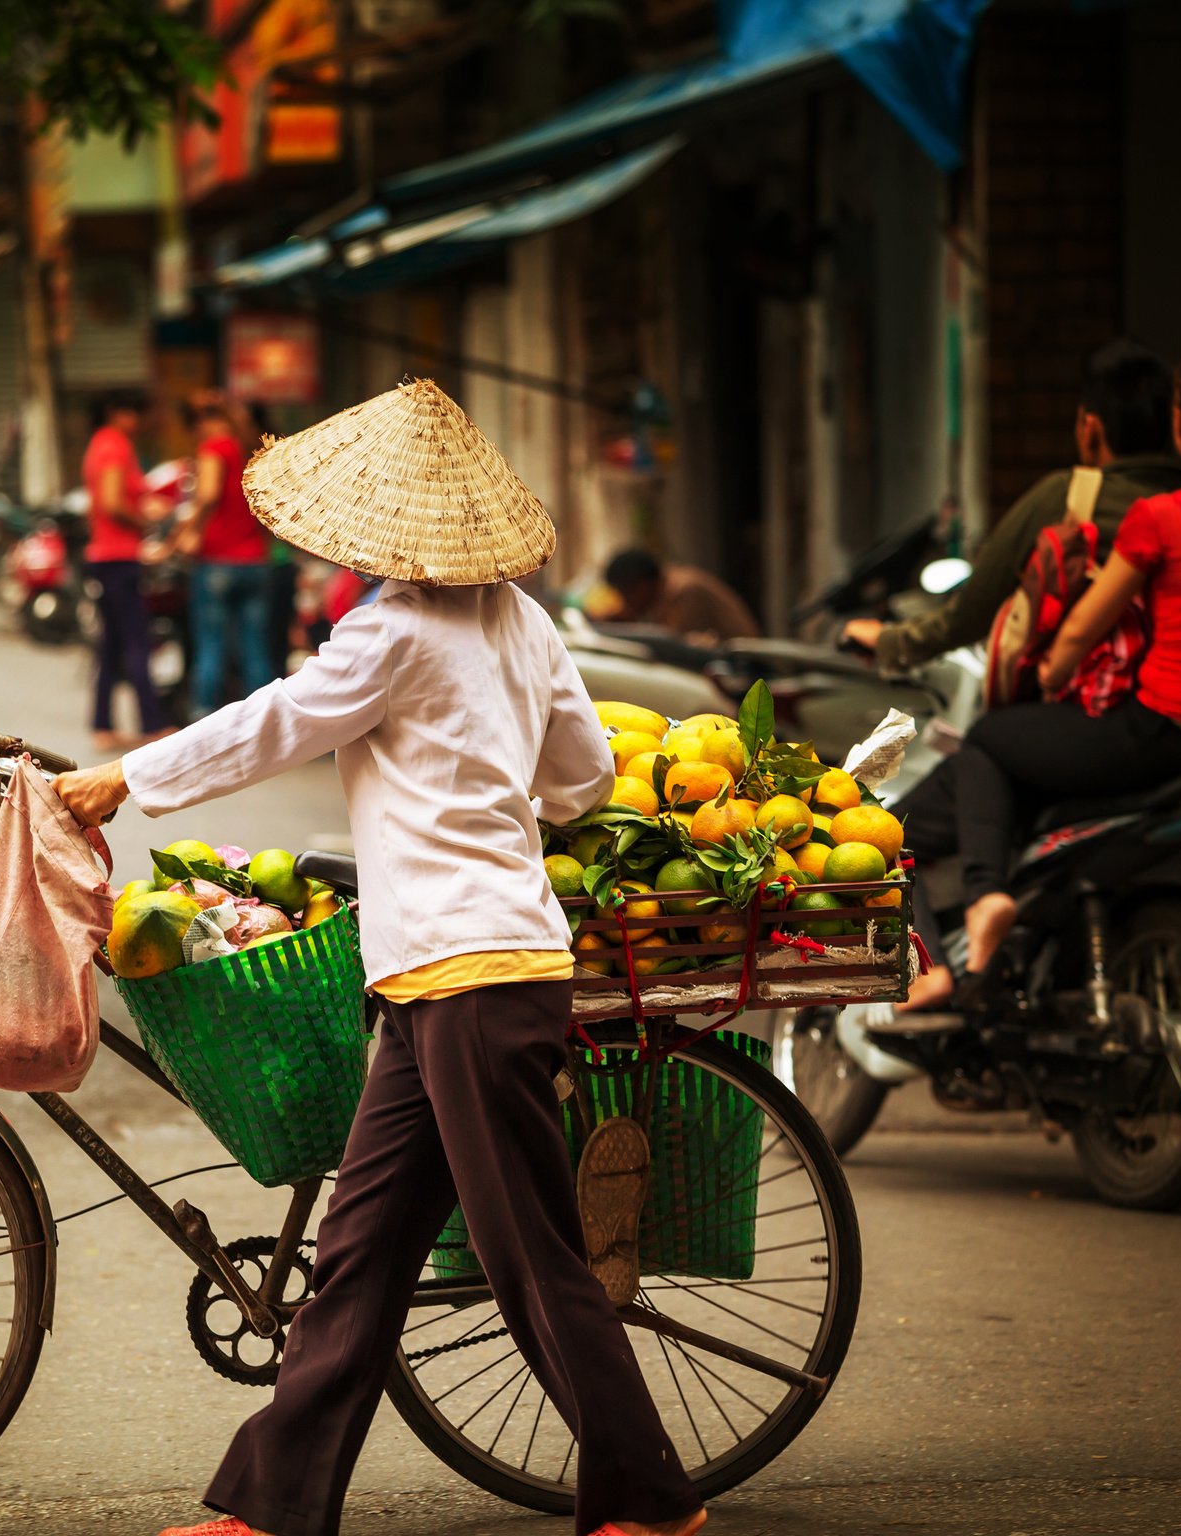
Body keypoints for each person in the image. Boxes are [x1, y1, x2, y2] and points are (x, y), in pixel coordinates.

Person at [56, 380, 707, 1536]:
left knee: (531, 1260)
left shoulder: (390, 631)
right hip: (443, 979)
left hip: (472, 977)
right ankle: (271, 1506)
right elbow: (587, 780)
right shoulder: (525, 621)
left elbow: (274, 723)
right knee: (359, 1253)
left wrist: (127, 777)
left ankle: (652, 1501)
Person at [896, 334, 1181, 1004]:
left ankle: (985, 898)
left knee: (994, 739)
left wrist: (1055, 672)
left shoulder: (1162, 518)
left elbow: (1083, 626)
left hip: (1164, 737)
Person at [845, 340, 1181, 670]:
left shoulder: (1069, 496)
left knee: (990, 732)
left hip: (1104, 705)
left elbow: (974, 610)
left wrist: (893, 642)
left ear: (1090, 428)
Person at [174, 390, 276, 715]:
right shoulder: (249, 448)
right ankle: (266, 719)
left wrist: (179, 537)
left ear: (202, 422)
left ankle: (203, 717)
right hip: (255, 560)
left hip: (218, 560)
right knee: (254, 647)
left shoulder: (214, 447)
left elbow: (207, 495)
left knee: (211, 644)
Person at [83, 389, 170, 748]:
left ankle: (103, 724)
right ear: (117, 413)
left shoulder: (101, 444)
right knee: (136, 643)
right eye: (133, 413)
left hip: (106, 557)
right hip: (118, 557)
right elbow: (112, 502)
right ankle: (152, 724)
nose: (139, 422)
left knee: (112, 645)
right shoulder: (115, 446)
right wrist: (144, 522)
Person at [599, 546, 759, 644]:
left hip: (746, 667)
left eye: (628, 593)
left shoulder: (683, 591)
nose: (626, 601)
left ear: (643, 583)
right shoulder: (664, 589)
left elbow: (673, 644)